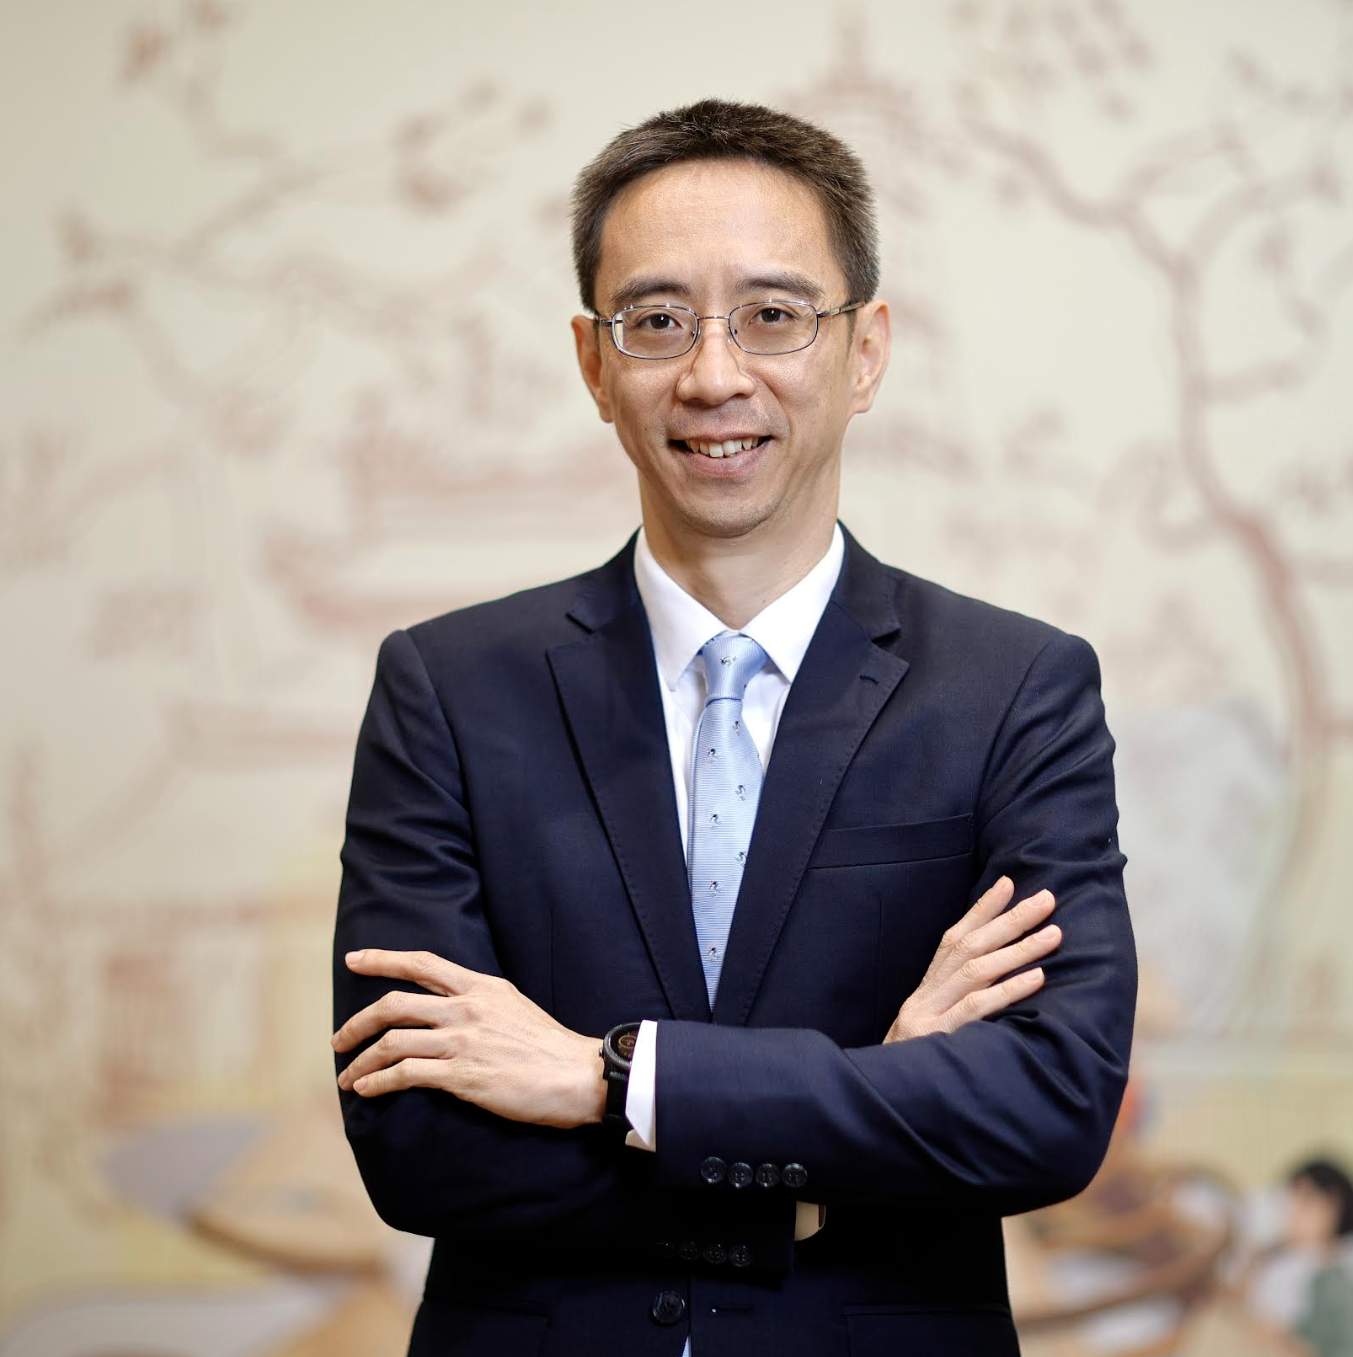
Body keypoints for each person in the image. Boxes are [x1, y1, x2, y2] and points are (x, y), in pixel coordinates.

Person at [330, 99, 1136, 1357]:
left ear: (865, 352)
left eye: (773, 315)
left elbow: (1048, 1102)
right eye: (657, 321)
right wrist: (850, 1130)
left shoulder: (1016, 689)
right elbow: (417, 1140)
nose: (714, 376)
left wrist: (608, 1080)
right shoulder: (446, 688)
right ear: (595, 364)